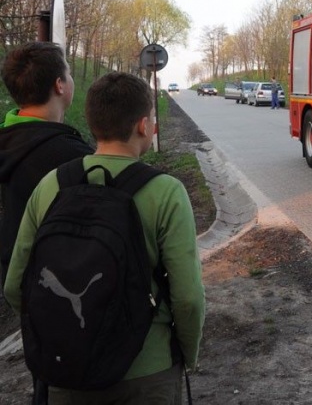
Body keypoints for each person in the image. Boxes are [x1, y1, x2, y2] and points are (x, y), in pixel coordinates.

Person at [4, 71, 205, 404]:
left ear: (92, 123)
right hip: (148, 373)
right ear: (144, 126)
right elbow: (188, 298)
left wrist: (61, 335)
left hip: (67, 371)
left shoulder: (51, 185)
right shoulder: (167, 192)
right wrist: (186, 355)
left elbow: (15, 285)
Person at [0, 42, 94, 405]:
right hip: (63, 288)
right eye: (69, 71)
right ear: (60, 85)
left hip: (22, 285)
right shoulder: (68, 156)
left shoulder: (8, 142)